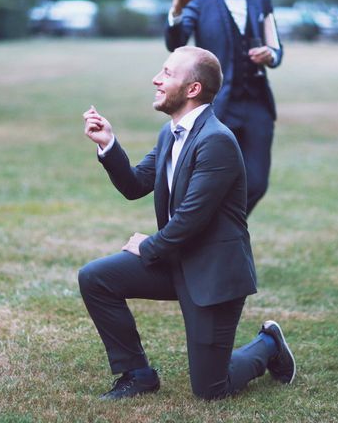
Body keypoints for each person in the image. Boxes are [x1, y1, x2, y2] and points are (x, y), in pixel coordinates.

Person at [79, 46, 295, 400]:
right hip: (177, 262)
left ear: (192, 89)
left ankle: (268, 344)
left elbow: (190, 220)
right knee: (96, 278)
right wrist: (109, 145)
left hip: (213, 274)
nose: (156, 79)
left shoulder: (217, 142)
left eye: (167, 73)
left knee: (211, 389)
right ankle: (137, 374)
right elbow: (135, 185)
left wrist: (146, 247)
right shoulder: (171, 133)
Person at [165, 0, 283, 215]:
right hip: (216, 106)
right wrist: (176, 11)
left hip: (257, 105)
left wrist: (271, 55)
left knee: (256, 183)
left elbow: (276, 46)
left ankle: (217, 232)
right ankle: (207, 240)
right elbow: (176, 42)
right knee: (207, 183)